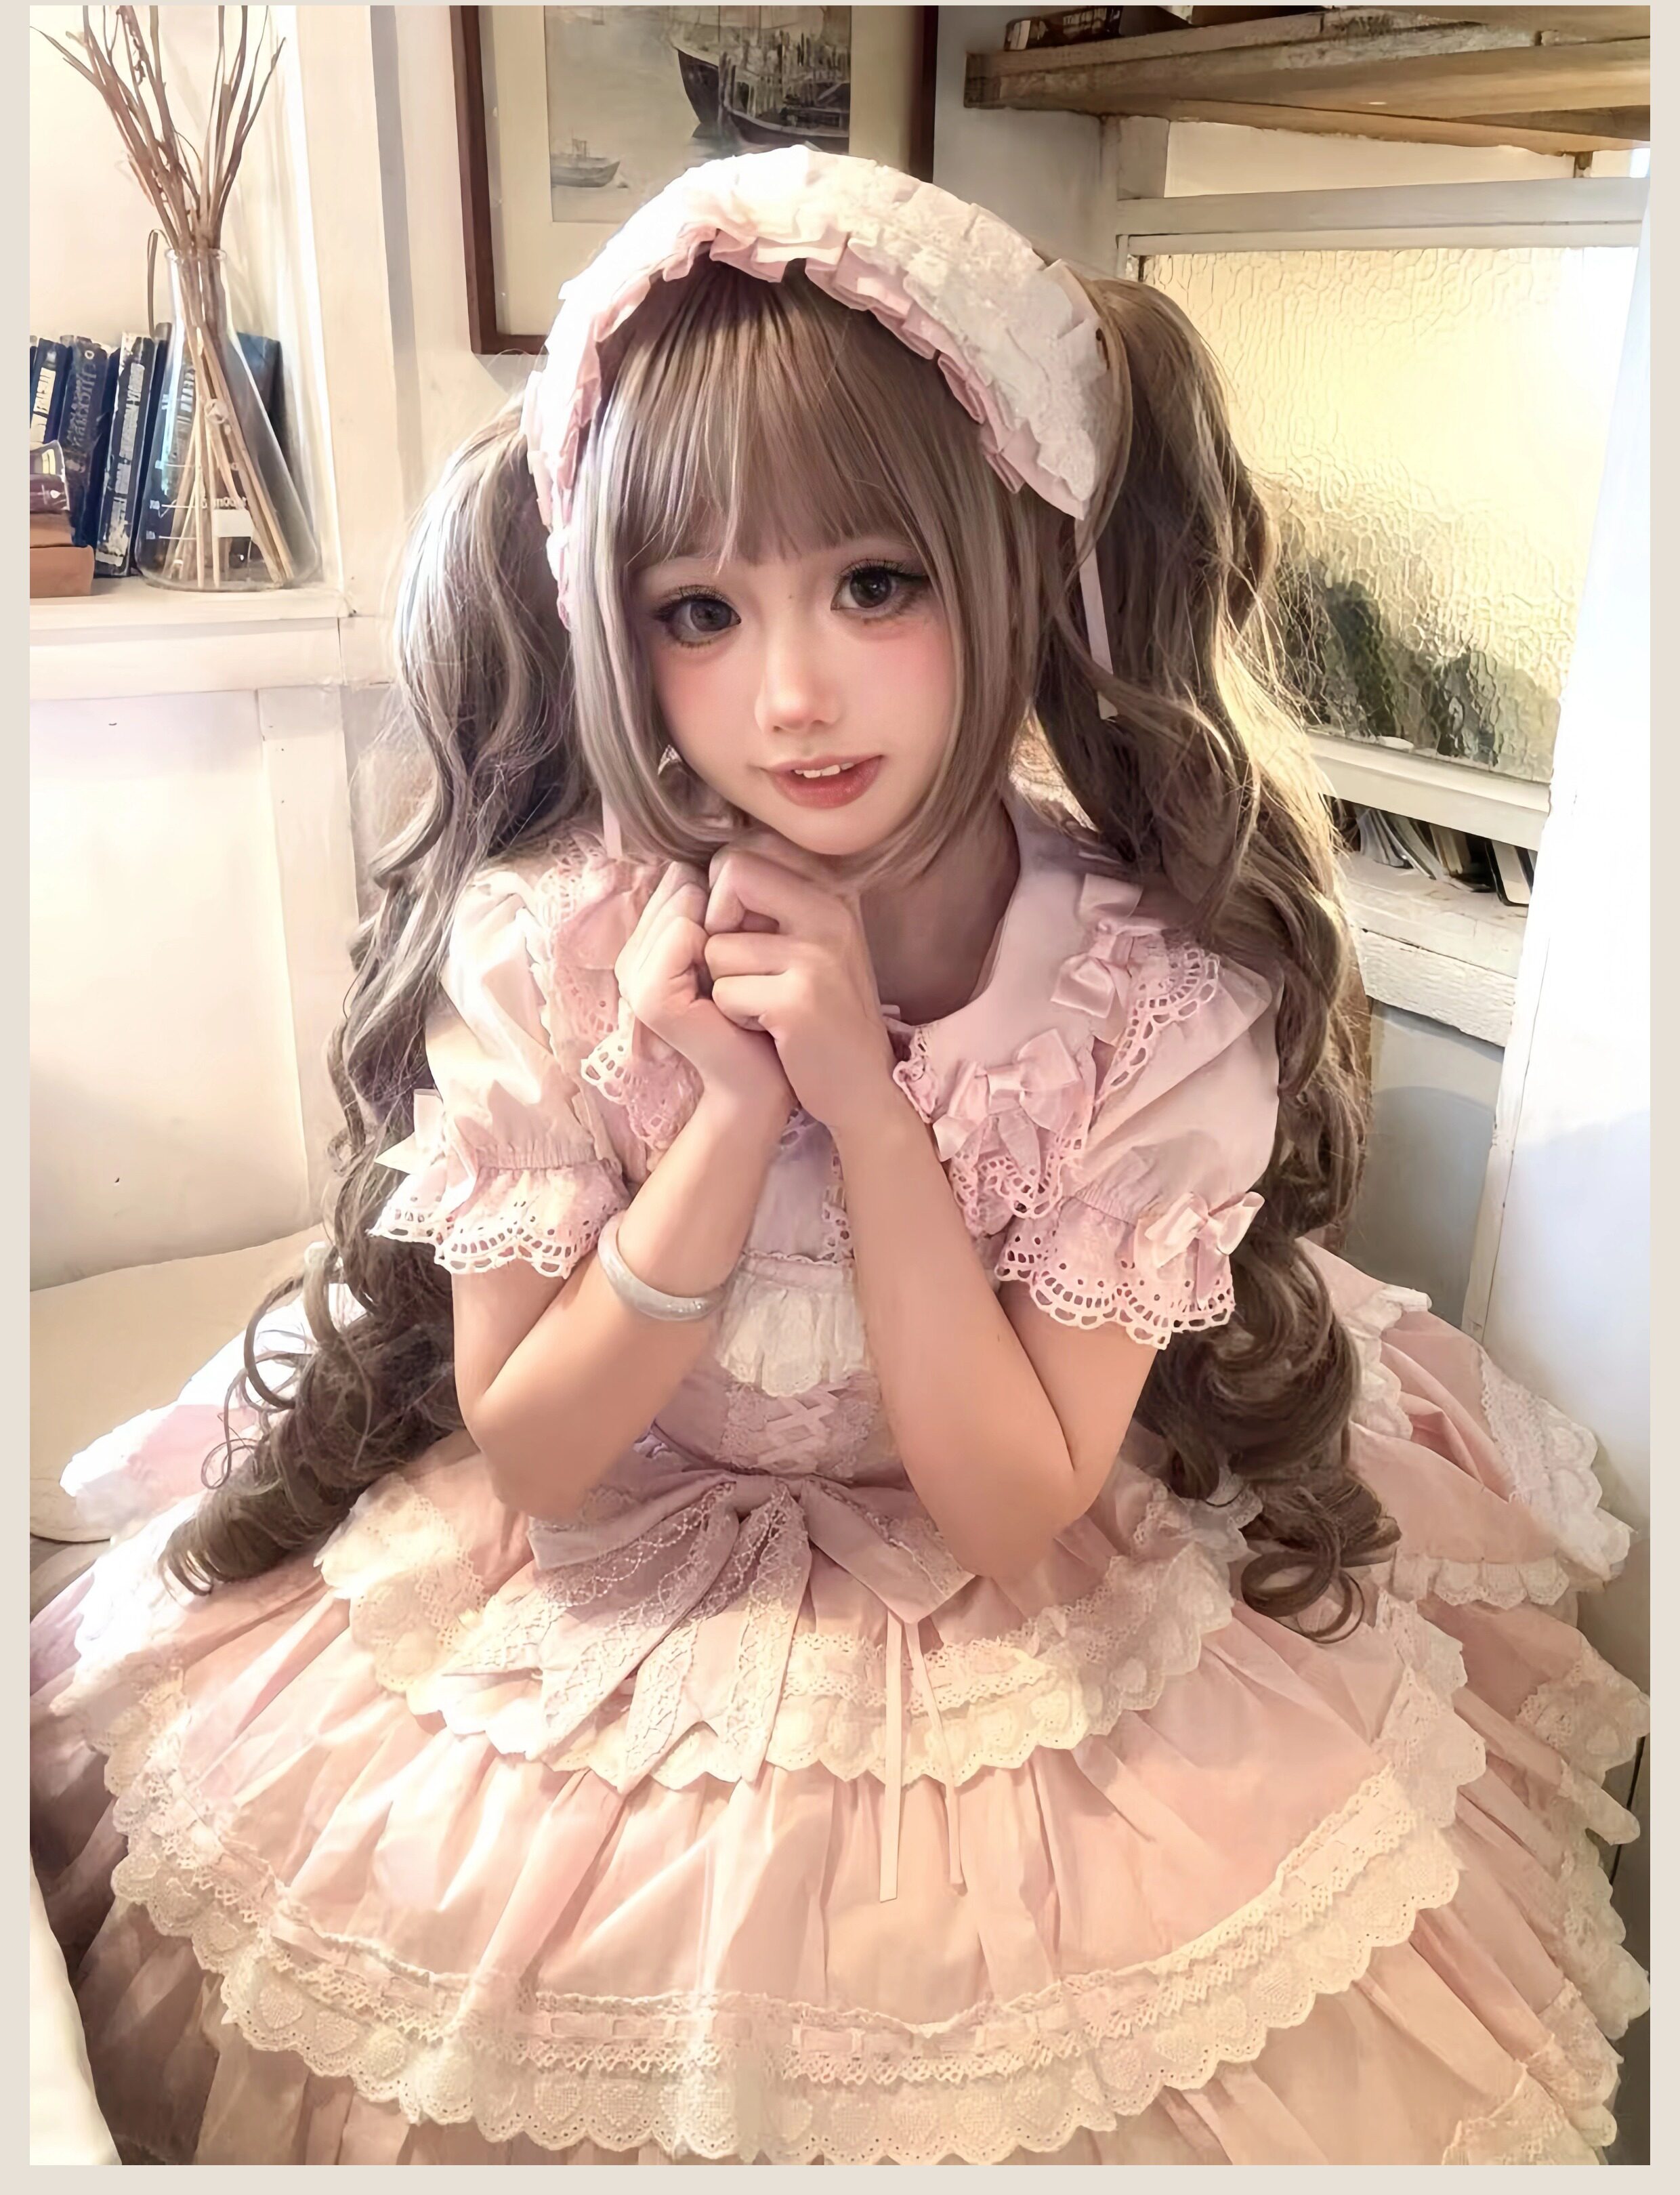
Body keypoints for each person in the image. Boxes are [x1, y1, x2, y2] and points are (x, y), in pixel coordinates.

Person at [30, 148, 1647, 2167]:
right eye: (699, 612)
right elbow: (540, 1460)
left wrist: (869, 1114)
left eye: (875, 584)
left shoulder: (1143, 994)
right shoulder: (552, 940)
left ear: (1020, 562)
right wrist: (728, 1120)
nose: (789, 697)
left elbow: (1011, 1511)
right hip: (611, 1553)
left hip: (1001, 1566)